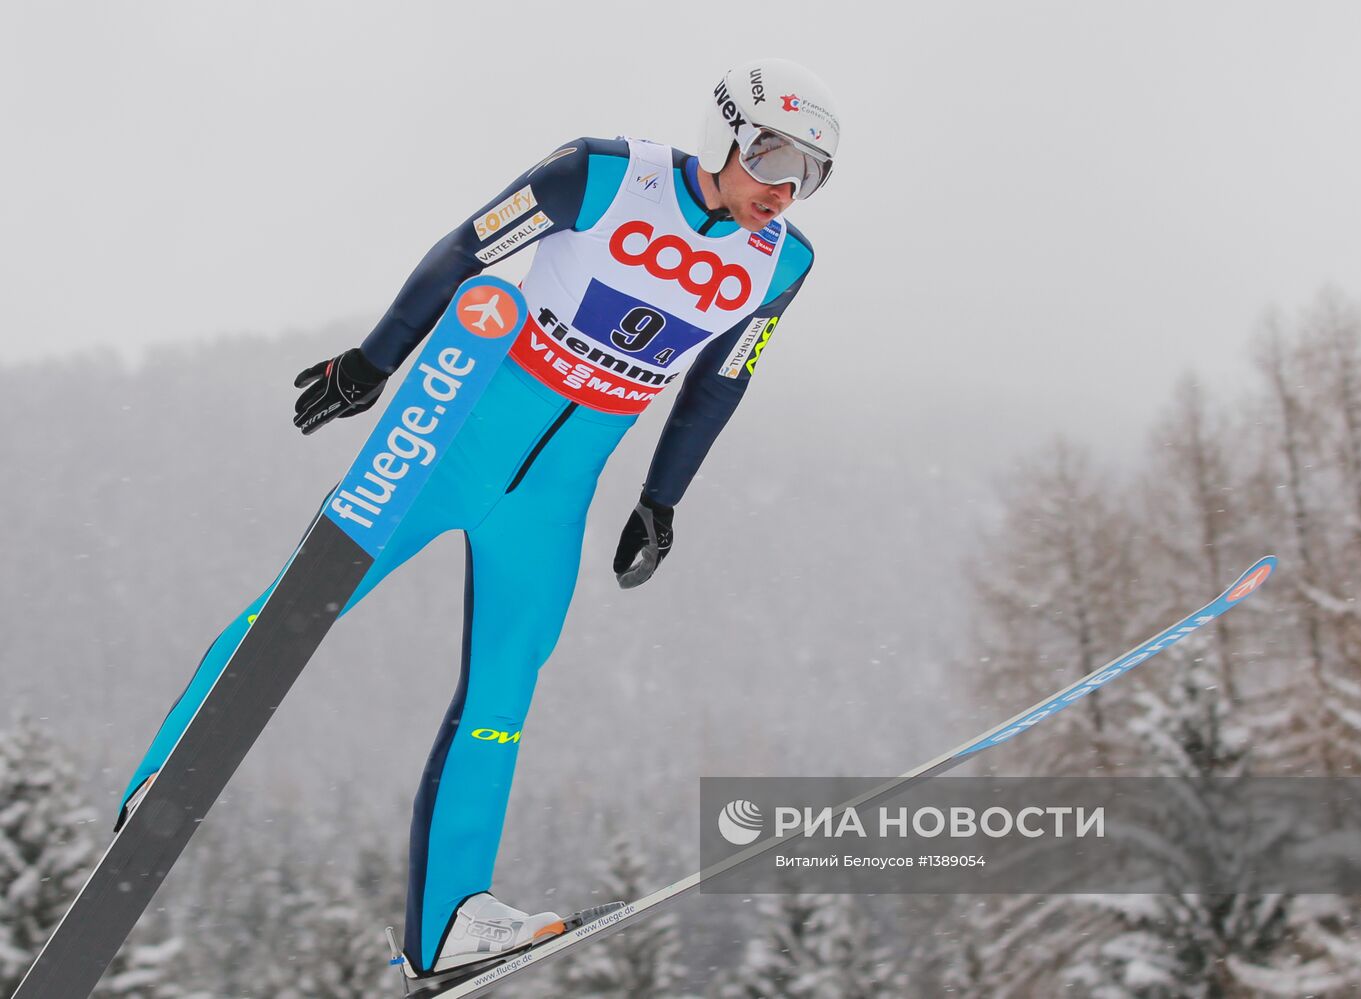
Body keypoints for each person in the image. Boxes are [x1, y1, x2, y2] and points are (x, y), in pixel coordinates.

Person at [118, 56, 839, 980]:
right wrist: (372, 362)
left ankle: (450, 920)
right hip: (445, 444)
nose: (786, 192)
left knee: (503, 698)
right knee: (299, 605)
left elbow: (720, 382)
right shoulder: (603, 174)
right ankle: (163, 779)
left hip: (553, 501)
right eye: (775, 160)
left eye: (811, 177)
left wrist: (661, 501)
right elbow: (468, 248)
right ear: (725, 135)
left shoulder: (784, 264)